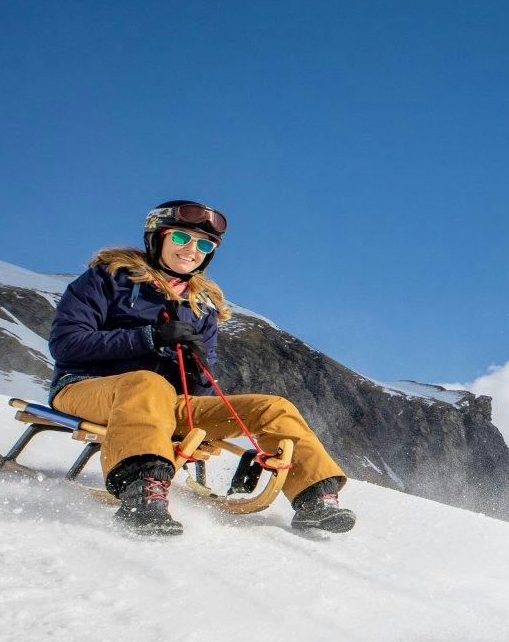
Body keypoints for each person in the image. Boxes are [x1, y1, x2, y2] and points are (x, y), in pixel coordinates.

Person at [46, 200, 356, 538]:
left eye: (204, 245)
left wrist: (197, 373)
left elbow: (199, 396)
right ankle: (142, 489)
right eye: (182, 238)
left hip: (167, 404)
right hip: (87, 388)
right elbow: (67, 344)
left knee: (273, 408)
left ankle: (315, 497)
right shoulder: (106, 280)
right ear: (158, 237)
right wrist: (148, 337)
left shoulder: (201, 306)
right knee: (147, 384)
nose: (192, 250)